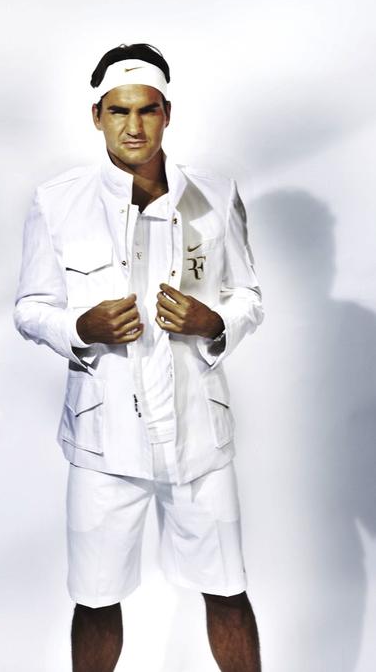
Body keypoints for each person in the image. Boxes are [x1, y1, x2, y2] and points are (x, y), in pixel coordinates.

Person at [13, 42, 264, 672]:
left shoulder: (215, 195)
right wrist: (80, 326)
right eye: (119, 111)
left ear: (167, 113)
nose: (134, 126)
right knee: (95, 600)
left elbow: (248, 296)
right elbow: (30, 307)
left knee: (228, 590)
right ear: (97, 116)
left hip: (198, 435)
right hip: (104, 443)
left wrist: (215, 322)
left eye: (147, 110)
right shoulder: (57, 202)